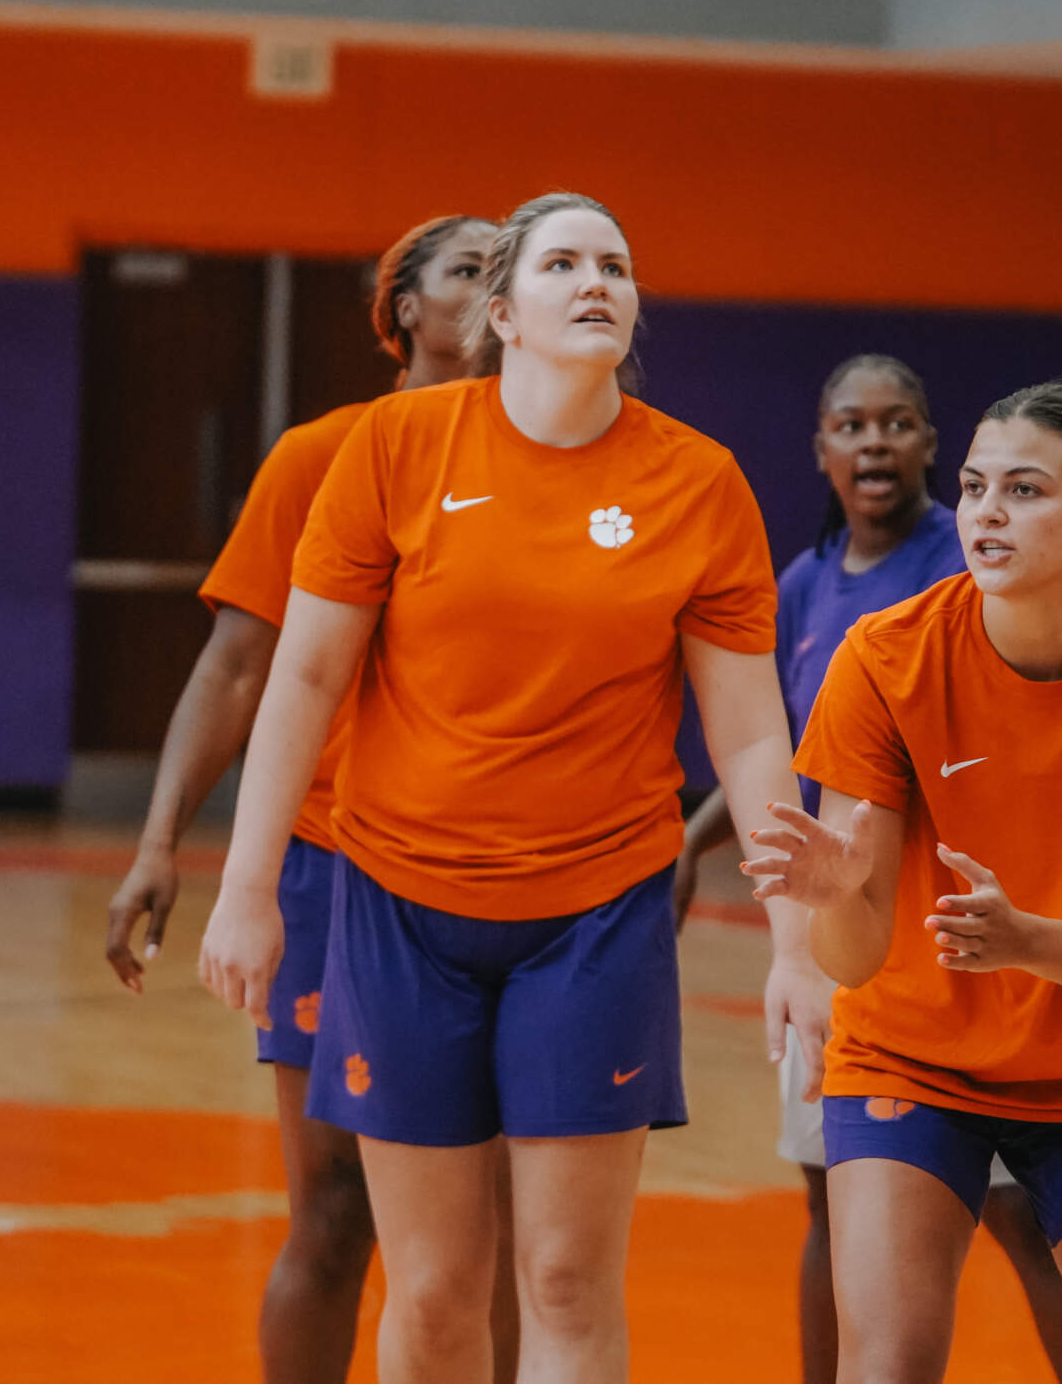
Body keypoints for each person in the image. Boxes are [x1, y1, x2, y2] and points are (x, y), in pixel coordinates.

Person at [196, 192, 832, 1384]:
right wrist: (246, 887)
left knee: (566, 1277)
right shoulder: (395, 448)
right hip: (399, 908)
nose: (596, 281)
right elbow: (306, 675)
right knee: (434, 1288)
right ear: (502, 313)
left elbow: (751, 733)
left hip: (597, 916)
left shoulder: (697, 481)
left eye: (616, 265)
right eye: (563, 263)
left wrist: (796, 941)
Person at [747, 381, 1062, 1384]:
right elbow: (853, 961)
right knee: (888, 1364)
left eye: (1025, 489)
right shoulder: (885, 657)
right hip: (912, 1061)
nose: (986, 511)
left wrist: (1023, 939)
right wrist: (839, 895)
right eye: (977, 486)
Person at [100, 214, 520, 1384]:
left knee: (489, 1222)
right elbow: (236, 664)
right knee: (335, 1207)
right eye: (466, 267)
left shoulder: (557, 464)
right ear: (403, 313)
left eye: (507, 267)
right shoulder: (322, 454)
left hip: (496, 870)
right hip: (335, 861)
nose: (492, 285)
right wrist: (158, 842)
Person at [673, 355, 1062, 1384]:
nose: (874, 441)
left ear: (930, 447)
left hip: (955, 927)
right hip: (838, 927)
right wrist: (692, 840)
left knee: (1016, 1206)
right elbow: (782, 754)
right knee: (832, 1192)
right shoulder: (803, 585)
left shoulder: (964, 562)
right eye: (853, 425)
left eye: (897, 422)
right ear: (822, 449)